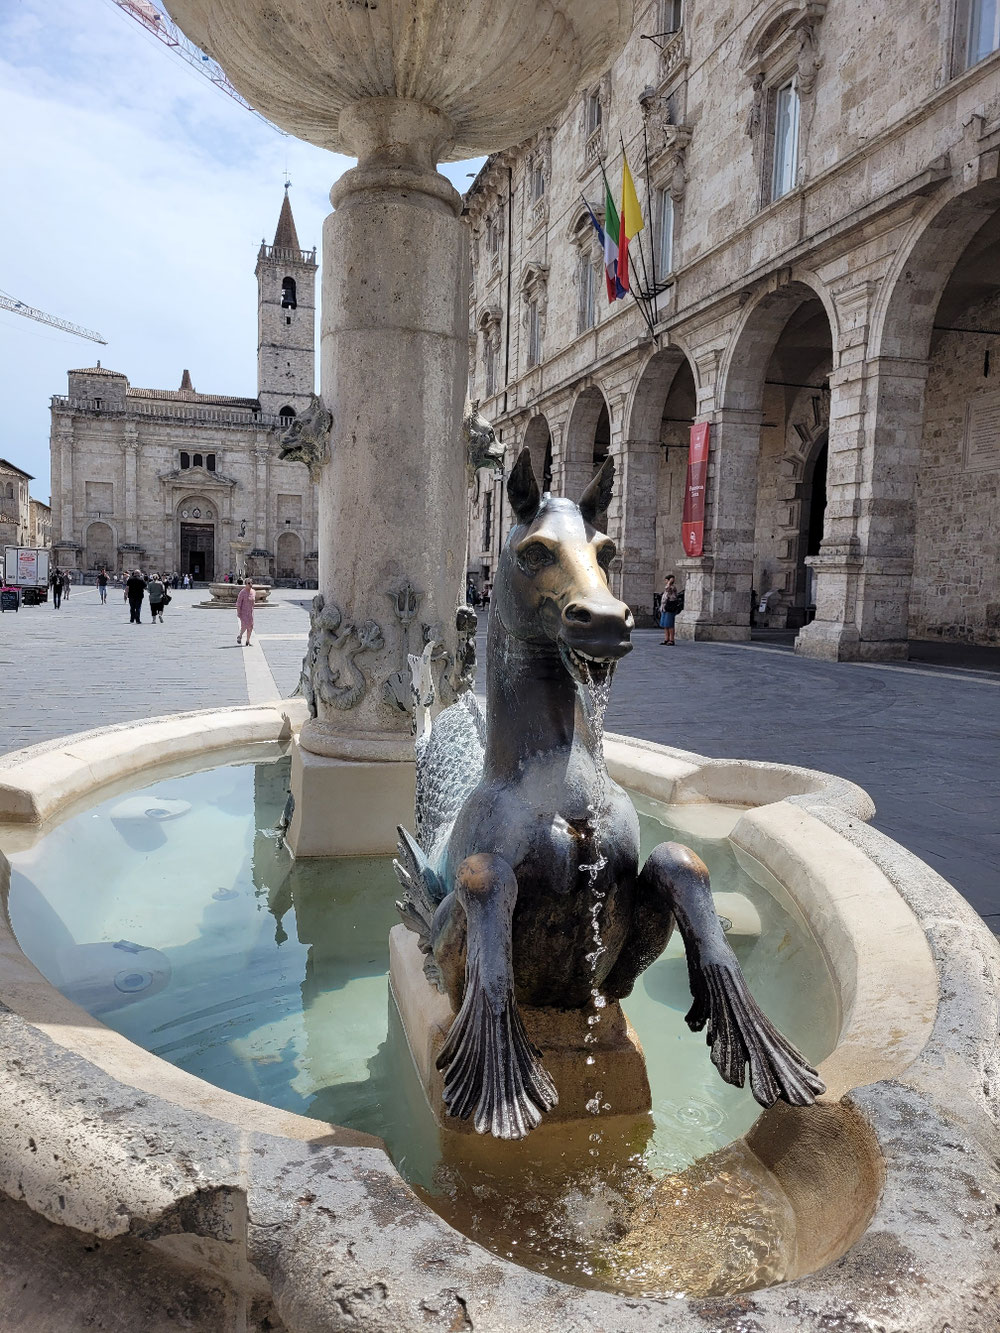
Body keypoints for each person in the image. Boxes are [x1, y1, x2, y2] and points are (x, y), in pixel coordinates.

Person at [659, 574, 684, 646]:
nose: (665, 581)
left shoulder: (672, 587)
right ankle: (666, 639)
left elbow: (667, 589)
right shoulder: (668, 587)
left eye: (666, 580)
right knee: (665, 625)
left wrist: (669, 582)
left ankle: (671, 640)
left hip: (670, 608)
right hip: (664, 608)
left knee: (670, 625)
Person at [235, 578, 255, 646]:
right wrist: (238, 612)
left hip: (250, 612)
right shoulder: (242, 592)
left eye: (251, 583)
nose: (250, 584)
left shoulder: (253, 592)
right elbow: (238, 603)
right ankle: (240, 636)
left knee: (251, 626)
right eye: (249, 583)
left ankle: (248, 641)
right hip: (243, 612)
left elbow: (253, 601)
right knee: (245, 625)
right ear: (245, 584)